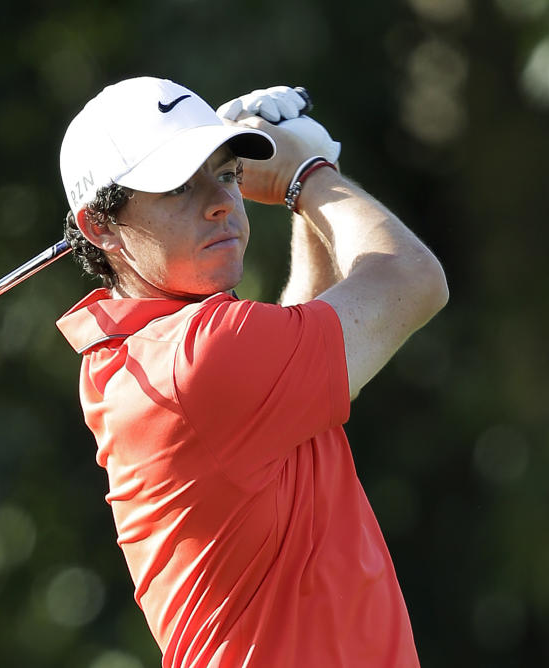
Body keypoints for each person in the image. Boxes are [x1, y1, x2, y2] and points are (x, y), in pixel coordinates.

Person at [55, 76, 448, 667]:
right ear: (101, 227)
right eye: (179, 187)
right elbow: (413, 282)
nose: (220, 201)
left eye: (228, 173)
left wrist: (306, 192)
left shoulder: (149, 354)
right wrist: (310, 177)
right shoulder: (197, 360)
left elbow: (302, 337)